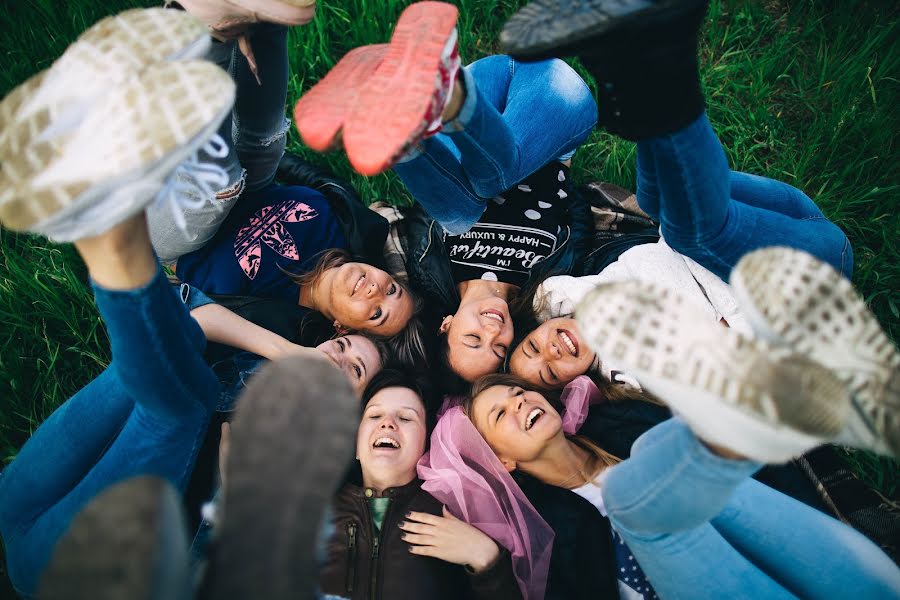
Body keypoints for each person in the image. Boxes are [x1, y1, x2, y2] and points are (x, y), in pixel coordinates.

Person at [296, 3, 598, 387]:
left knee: (461, 211)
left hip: (484, 85)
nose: (493, 332)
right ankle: (426, 109)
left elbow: (383, 236)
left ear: (446, 324)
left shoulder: (427, 268)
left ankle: (412, 113)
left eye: (473, 339)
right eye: (500, 348)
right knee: (486, 186)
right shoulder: (547, 288)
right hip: (551, 101)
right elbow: (581, 214)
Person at [319, 369, 522, 599]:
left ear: (425, 445)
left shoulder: (453, 512)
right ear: (355, 444)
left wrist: (486, 560)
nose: (387, 423)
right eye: (375, 416)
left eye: (405, 418)